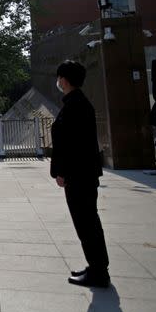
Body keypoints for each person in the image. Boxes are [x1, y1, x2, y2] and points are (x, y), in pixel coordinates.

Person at [51, 60, 110, 288]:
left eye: (59, 78)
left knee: (86, 223)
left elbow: (71, 145)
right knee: (88, 222)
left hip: (79, 176)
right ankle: (96, 266)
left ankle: (98, 271)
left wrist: (62, 171)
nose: (58, 82)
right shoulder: (77, 103)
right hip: (82, 174)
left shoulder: (75, 106)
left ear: (64, 80)